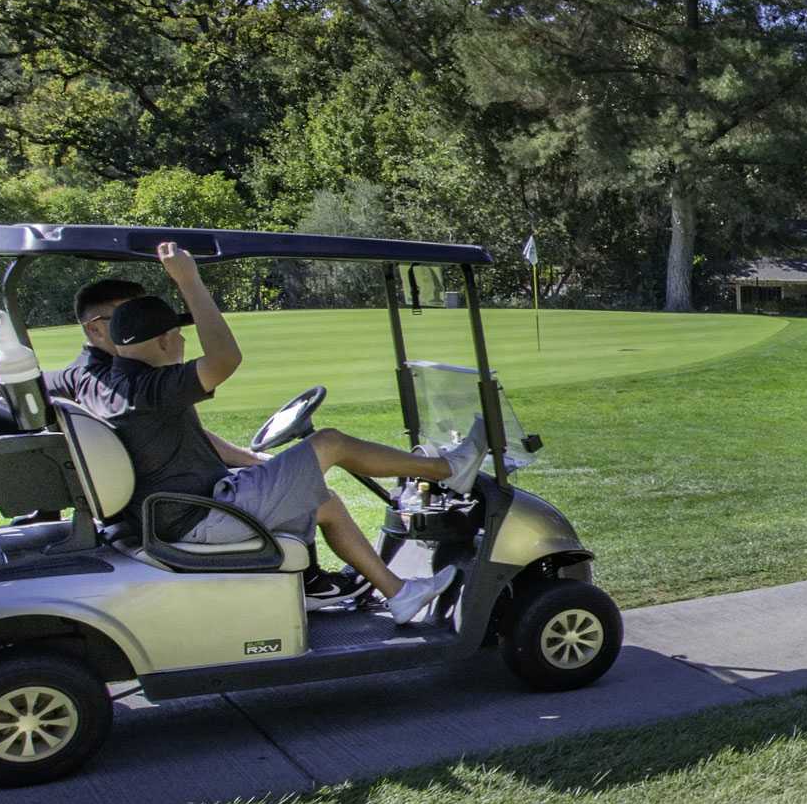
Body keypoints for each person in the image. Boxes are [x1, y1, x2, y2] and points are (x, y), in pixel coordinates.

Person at [74, 243, 483, 625]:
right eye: (179, 335)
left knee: (322, 499)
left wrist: (256, 462)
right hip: (197, 519)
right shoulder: (152, 389)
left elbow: (191, 436)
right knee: (331, 442)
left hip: (181, 510)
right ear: (163, 340)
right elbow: (225, 358)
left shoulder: (103, 382)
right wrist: (189, 281)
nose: (184, 340)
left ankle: (397, 593)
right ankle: (447, 469)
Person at [48, 278, 370, 609]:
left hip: (162, 503)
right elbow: (223, 360)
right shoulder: (129, 384)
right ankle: (314, 581)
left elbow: (184, 436)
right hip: (183, 509)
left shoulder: (87, 377)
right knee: (317, 481)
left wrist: (250, 458)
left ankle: (310, 580)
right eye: (126, 315)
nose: (141, 320)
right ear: (95, 330)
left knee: (293, 486)